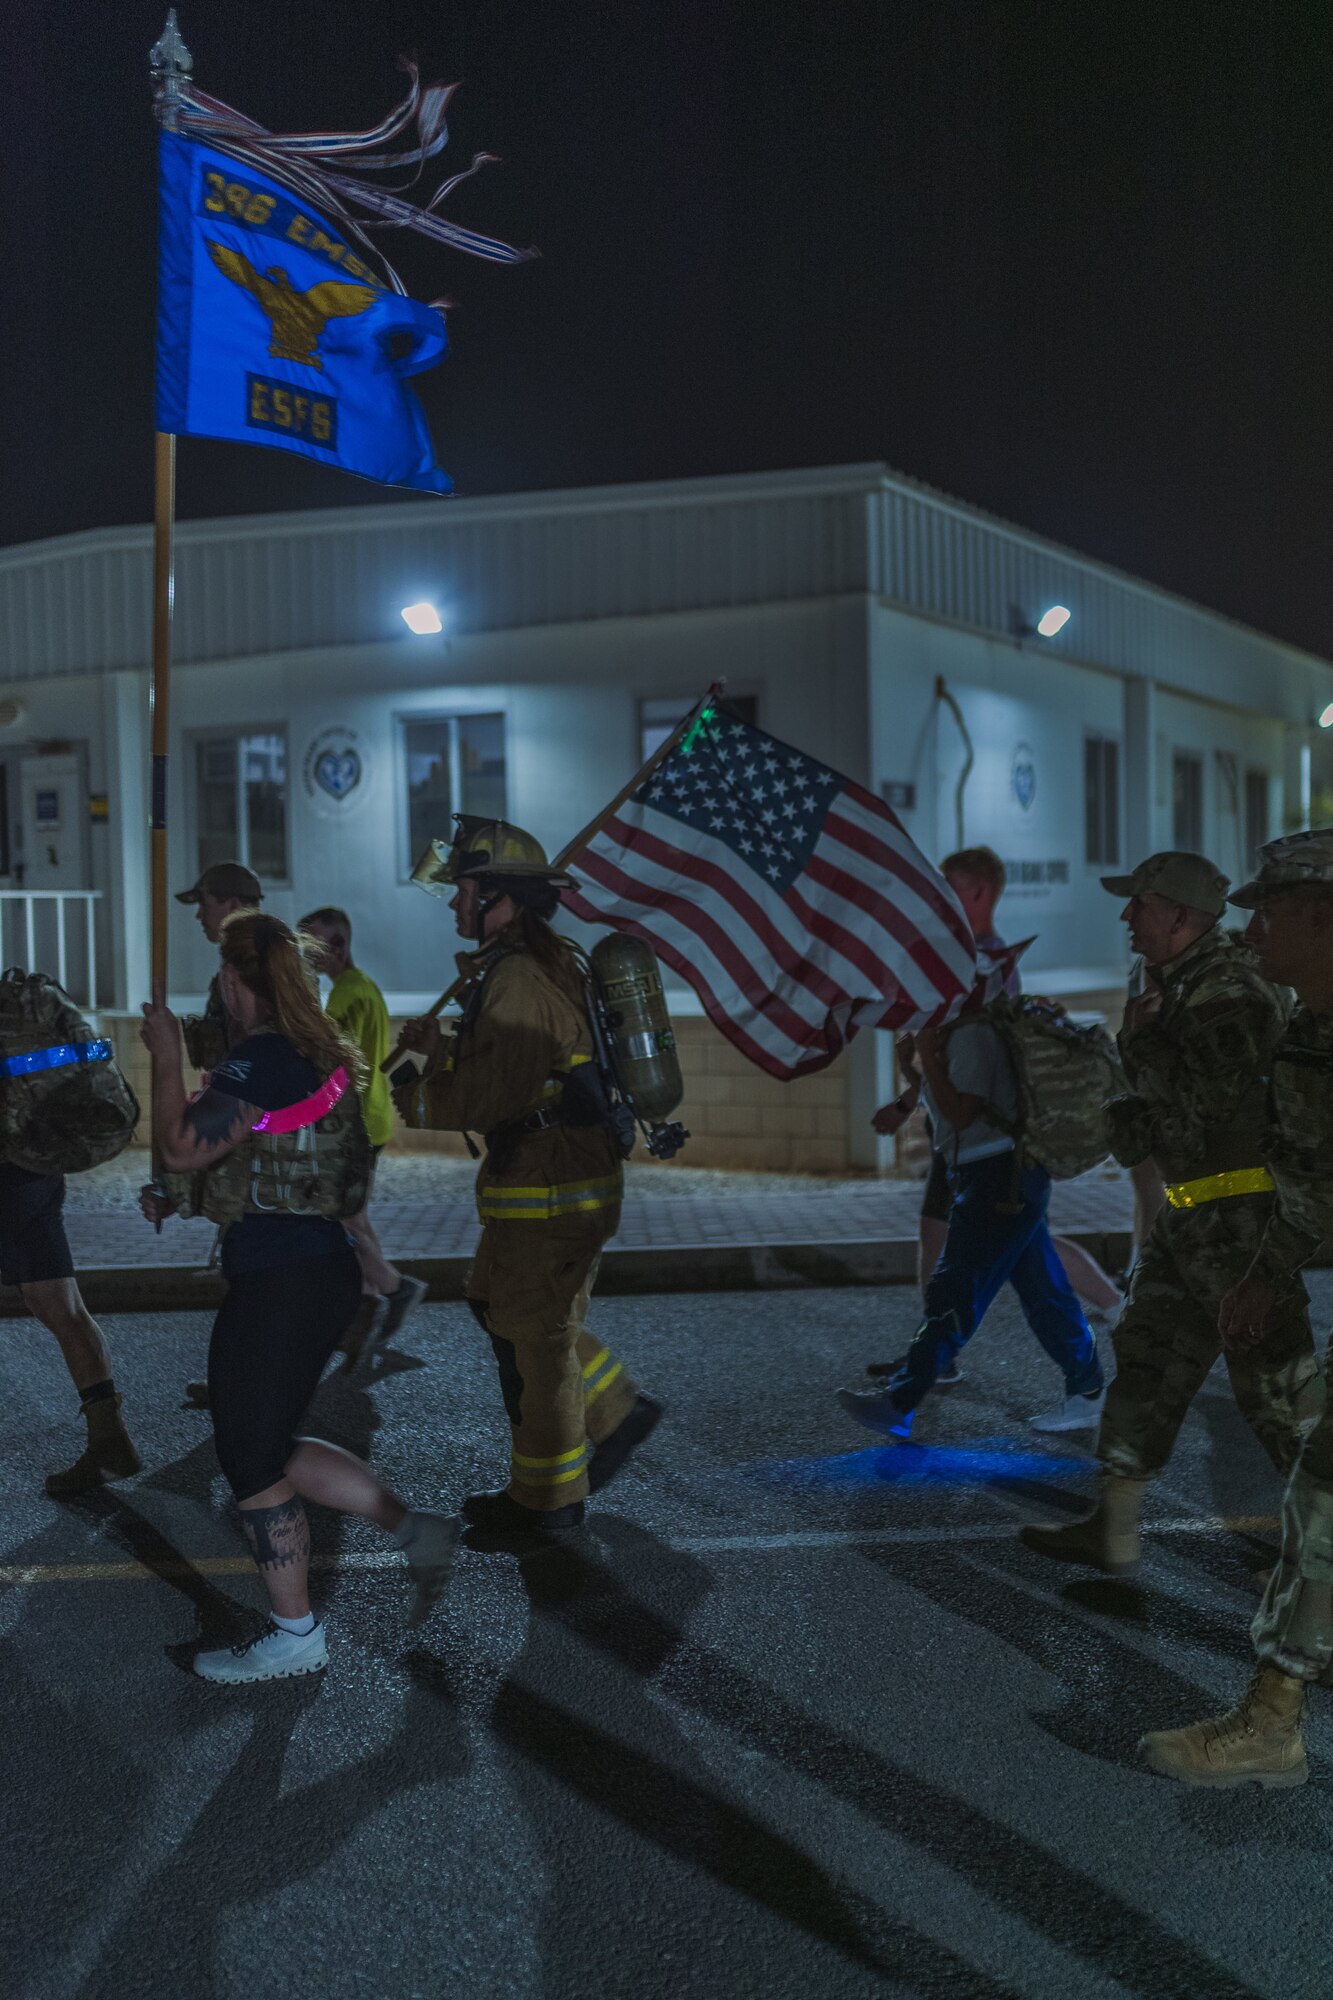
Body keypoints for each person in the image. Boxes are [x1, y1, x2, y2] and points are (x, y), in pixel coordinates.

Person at [139, 911, 457, 1684]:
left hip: (282, 1278)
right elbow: (269, 1151)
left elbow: (182, 1141)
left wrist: (167, 1055)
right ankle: (412, 1530)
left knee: (248, 1457)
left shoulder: (265, 1056)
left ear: (231, 980)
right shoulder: (312, 1050)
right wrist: (183, 1197)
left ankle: (296, 1637)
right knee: (272, 1439)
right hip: (318, 1266)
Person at [1020, 850, 1321, 1578]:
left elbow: (1197, 1123)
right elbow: (1139, 1139)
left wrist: (1141, 1048)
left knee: (1279, 1402)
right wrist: (1142, 1059)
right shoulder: (1169, 986)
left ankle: (1322, 1561)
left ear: (1180, 916)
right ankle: (1113, 1529)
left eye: (1139, 905)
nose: (1126, 918)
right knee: (1145, 1363)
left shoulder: (1230, 997)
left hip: (1240, 1228)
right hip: (1190, 1218)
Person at [394, 817, 661, 1549]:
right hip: (555, 1180)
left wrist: (409, 1090)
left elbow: (488, 1096)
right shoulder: (536, 966)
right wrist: (445, 1044)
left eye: (465, 891)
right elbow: (523, 1062)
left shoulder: (515, 978)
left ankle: (547, 1503)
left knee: (535, 1342)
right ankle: (609, 1410)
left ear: (499, 899)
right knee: (498, 1304)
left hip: (550, 1187)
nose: (454, 905)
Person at [1139, 831, 1333, 1788]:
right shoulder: (1310, 1026)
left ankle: (1273, 1720)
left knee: (1320, 1485)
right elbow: (1307, 1178)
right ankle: (1277, 1709)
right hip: (1227, 1236)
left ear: (1321, 917)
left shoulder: (1248, 1008)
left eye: (1266, 911)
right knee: (1320, 1482)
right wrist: (1259, 1271)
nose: (1249, 931)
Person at [870, 844, 1127, 1388]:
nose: (941, 899)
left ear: (980, 892)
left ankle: (928, 1367)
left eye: (951, 887)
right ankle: (1085, 1359)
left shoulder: (986, 969)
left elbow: (967, 1074)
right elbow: (947, 1067)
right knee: (1016, 1250)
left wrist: (923, 1074)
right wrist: (908, 1098)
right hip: (972, 1140)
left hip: (984, 1142)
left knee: (977, 1252)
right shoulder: (971, 962)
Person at [837, 989, 1105, 1441]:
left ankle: (900, 1401)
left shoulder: (972, 1031)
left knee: (956, 1287)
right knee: (1045, 1292)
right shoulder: (957, 1031)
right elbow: (949, 1105)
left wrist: (926, 1052)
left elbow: (963, 1113)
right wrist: (914, 1067)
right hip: (995, 1175)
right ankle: (1089, 1389)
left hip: (1000, 1179)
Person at [299, 906, 427, 1367]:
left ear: (339, 947)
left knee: (340, 1220)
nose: (305, 955)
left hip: (352, 1124)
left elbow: (333, 1067)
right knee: (354, 1215)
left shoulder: (344, 998)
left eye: (312, 945)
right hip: (368, 1119)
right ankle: (369, 1308)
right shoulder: (363, 987)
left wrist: (308, 1113)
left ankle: (393, 1290)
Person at [2, 1161, 141, 1495]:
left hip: (10, 1173)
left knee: (60, 1306)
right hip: (32, 1167)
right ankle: (109, 1440)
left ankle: (110, 1443)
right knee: (61, 1305)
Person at [175, 861, 263, 1070]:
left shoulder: (255, 968)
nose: (199, 915)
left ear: (233, 905)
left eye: (205, 904)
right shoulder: (245, 961)